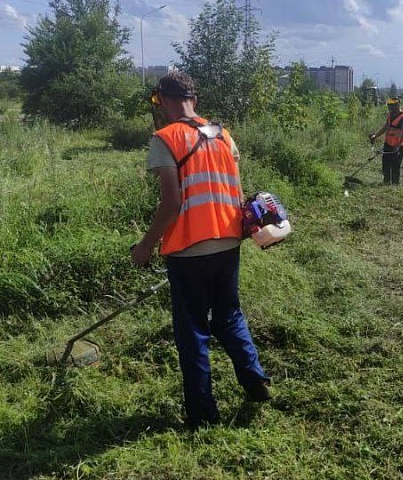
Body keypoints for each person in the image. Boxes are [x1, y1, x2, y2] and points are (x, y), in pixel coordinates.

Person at [131, 71, 271, 430]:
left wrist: (146, 246)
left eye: (155, 102)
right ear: (194, 98)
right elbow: (235, 190)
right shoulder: (223, 134)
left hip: (189, 250)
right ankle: (254, 380)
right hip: (228, 242)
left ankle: (202, 414)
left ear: (162, 99)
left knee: (192, 330)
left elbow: (171, 202)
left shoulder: (166, 138)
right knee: (228, 316)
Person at [368, 97, 403, 185]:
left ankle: (395, 185)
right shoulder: (390, 116)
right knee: (385, 164)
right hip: (388, 144)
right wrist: (376, 136)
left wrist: (398, 145)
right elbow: (386, 127)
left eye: (392, 106)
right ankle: (386, 182)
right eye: (389, 106)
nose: (390, 108)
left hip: (397, 146)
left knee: (395, 166)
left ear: (398, 105)